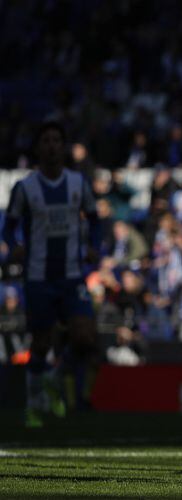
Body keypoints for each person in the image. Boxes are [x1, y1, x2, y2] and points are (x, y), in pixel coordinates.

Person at [3, 122, 101, 428]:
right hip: (38, 277)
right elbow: (8, 228)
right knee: (41, 342)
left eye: (57, 140)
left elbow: (95, 220)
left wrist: (94, 247)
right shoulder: (26, 188)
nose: (51, 146)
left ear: (64, 146)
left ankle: (56, 378)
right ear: (38, 148)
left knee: (85, 337)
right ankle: (34, 407)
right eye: (45, 141)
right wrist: (14, 246)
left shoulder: (78, 183)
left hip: (72, 276)